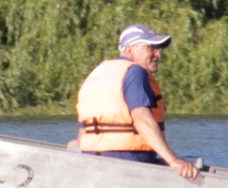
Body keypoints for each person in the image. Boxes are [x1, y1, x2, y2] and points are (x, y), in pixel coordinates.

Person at [70, 24, 202, 180]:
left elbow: (83, 133)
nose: (158, 54)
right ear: (129, 49)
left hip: (95, 161)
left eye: (158, 49)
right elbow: (142, 120)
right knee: (186, 165)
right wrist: (174, 161)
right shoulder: (135, 72)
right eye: (151, 48)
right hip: (130, 163)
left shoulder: (97, 74)